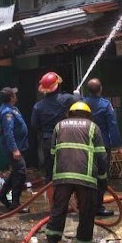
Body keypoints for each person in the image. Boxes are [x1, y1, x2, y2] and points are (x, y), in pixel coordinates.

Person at [40, 101, 108, 243]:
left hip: (62, 176)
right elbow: (101, 156)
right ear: (88, 115)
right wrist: (103, 178)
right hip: (86, 177)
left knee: (58, 210)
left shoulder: (59, 126)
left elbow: (52, 153)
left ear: (70, 113)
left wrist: (52, 176)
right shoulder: (93, 127)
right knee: (86, 213)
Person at [31, 72, 80, 205]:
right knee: (73, 171)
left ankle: (53, 206)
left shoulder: (38, 106)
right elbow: (79, 103)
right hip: (66, 139)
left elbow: (35, 125)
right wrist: (76, 94)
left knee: (50, 174)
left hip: (48, 141)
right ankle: (78, 203)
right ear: (57, 86)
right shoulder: (68, 99)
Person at [83, 78, 122, 217]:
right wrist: (119, 146)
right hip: (101, 146)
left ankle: (85, 204)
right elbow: (112, 126)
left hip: (84, 144)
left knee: (86, 175)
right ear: (100, 89)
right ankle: (98, 207)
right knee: (101, 176)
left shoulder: (82, 103)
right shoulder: (105, 105)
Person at [0, 87, 30, 213]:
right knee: (21, 173)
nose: (16, 95)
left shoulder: (12, 109)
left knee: (16, 171)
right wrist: (14, 149)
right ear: (11, 97)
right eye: (14, 94)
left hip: (19, 145)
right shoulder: (7, 112)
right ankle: (15, 204)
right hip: (13, 148)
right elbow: (9, 133)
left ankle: (2, 194)